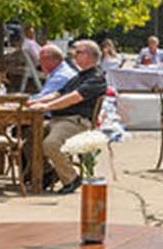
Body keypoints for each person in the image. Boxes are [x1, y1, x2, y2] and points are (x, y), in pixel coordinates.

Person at [35, 38, 109, 194]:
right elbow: (58, 93)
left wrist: (47, 106)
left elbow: (74, 97)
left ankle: (71, 178)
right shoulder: (78, 76)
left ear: (89, 55)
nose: (73, 55)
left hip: (76, 122)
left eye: (78, 52)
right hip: (59, 120)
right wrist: (37, 101)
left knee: (51, 144)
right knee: (28, 134)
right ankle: (47, 173)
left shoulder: (96, 78)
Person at [19, 27, 43, 92]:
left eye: (33, 32)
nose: (33, 34)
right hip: (41, 65)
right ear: (26, 34)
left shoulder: (31, 42)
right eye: (31, 32)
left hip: (41, 63)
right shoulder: (29, 43)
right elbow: (37, 56)